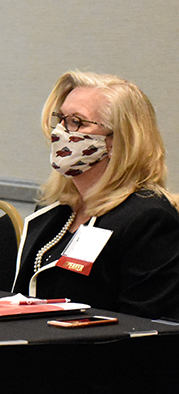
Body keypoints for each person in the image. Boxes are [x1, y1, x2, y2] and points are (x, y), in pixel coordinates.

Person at [12, 71, 179, 319]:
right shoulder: (55, 210)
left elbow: (147, 329)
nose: (60, 132)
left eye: (77, 122)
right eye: (61, 119)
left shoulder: (149, 219)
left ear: (117, 140)